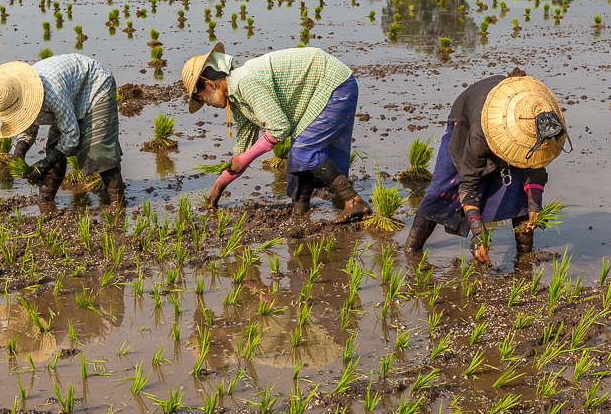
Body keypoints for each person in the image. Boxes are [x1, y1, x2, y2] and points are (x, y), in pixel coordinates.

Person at [181, 44, 370, 222]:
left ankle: (353, 201)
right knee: (297, 158)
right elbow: (244, 150)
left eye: (202, 97)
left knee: (304, 151)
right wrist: (219, 186)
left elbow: (279, 127)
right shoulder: (236, 99)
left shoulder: (244, 83)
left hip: (333, 84)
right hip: (320, 91)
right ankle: (300, 213)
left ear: (210, 85)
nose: (206, 103)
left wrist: (245, 158)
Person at [404, 73, 568, 264]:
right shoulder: (479, 133)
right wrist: (477, 233)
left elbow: (536, 165)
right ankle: (411, 251)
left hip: (513, 120)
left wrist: (535, 203)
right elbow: (468, 184)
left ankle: (524, 259)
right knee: (444, 188)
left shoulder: (544, 120)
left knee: (520, 191)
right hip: (469, 122)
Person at [0, 54, 124, 203]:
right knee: (54, 148)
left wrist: (45, 164)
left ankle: (118, 204)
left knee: (98, 151)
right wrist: (19, 150)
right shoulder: (18, 96)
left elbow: (71, 136)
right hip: (69, 94)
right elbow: (27, 124)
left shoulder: (51, 94)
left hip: (95, 85)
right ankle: (46, 199)